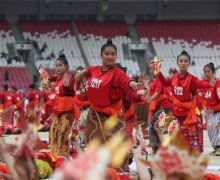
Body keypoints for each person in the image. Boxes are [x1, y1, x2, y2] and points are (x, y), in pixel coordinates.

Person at [75, 39, 147, 144]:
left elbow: (128, 82)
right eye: (107, 54)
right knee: (91, 141)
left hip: (113, 115)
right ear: (101, 55)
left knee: (116, 146)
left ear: (116, 56)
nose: (110, 56)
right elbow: (83, 73)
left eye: (113, 54)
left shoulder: (118, 73)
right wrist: (79, 75)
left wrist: (137, 85)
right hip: (94, 113)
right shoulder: (94, 69)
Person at [158, 50, 212, 152]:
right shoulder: (174, 77)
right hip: (176, 112)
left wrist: (211, 84)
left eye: (186, 61)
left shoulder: (192, 79)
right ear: (177, 63)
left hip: (190, 113)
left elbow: (201, 84)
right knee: (177, 141)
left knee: (193, 141)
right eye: (181, 61)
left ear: (189, 63)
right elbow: (165, 83)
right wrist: (159, 73)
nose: (183, 63)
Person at [46, 54, 79, 156]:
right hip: (57, 112)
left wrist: (66, 85)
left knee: (63, 135)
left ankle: (62, 158)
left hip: (67, 112)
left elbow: (69, 88)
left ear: (66, 66)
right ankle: (54, 156)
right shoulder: (57, 79)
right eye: (56, 66)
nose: (57, 68)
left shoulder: (70, 78)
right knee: (53, 135)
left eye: (60, 65)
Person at [147, 59, 172, 153]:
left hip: (164, 108)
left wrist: (149, 99)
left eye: (153, 68)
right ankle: (158, 148)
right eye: (150, 69)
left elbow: (157, 93)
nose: (151, 71)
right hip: (160, 108)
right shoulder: (152, 82)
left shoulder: (159, 80)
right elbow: (150, 92)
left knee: (155, 126)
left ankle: (162, 149)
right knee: (154, 127)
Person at [202, 63, 220, 155]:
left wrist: (213, 108)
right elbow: (206, 101)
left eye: (208, 71)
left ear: (213, 72)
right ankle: (216, 147)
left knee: (214, 125)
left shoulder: (218, 83)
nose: (206, 74)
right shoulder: (206, 85)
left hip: (218, 111)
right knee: (210, 127)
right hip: (212, 113)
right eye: (205, 72)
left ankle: (218, 147)